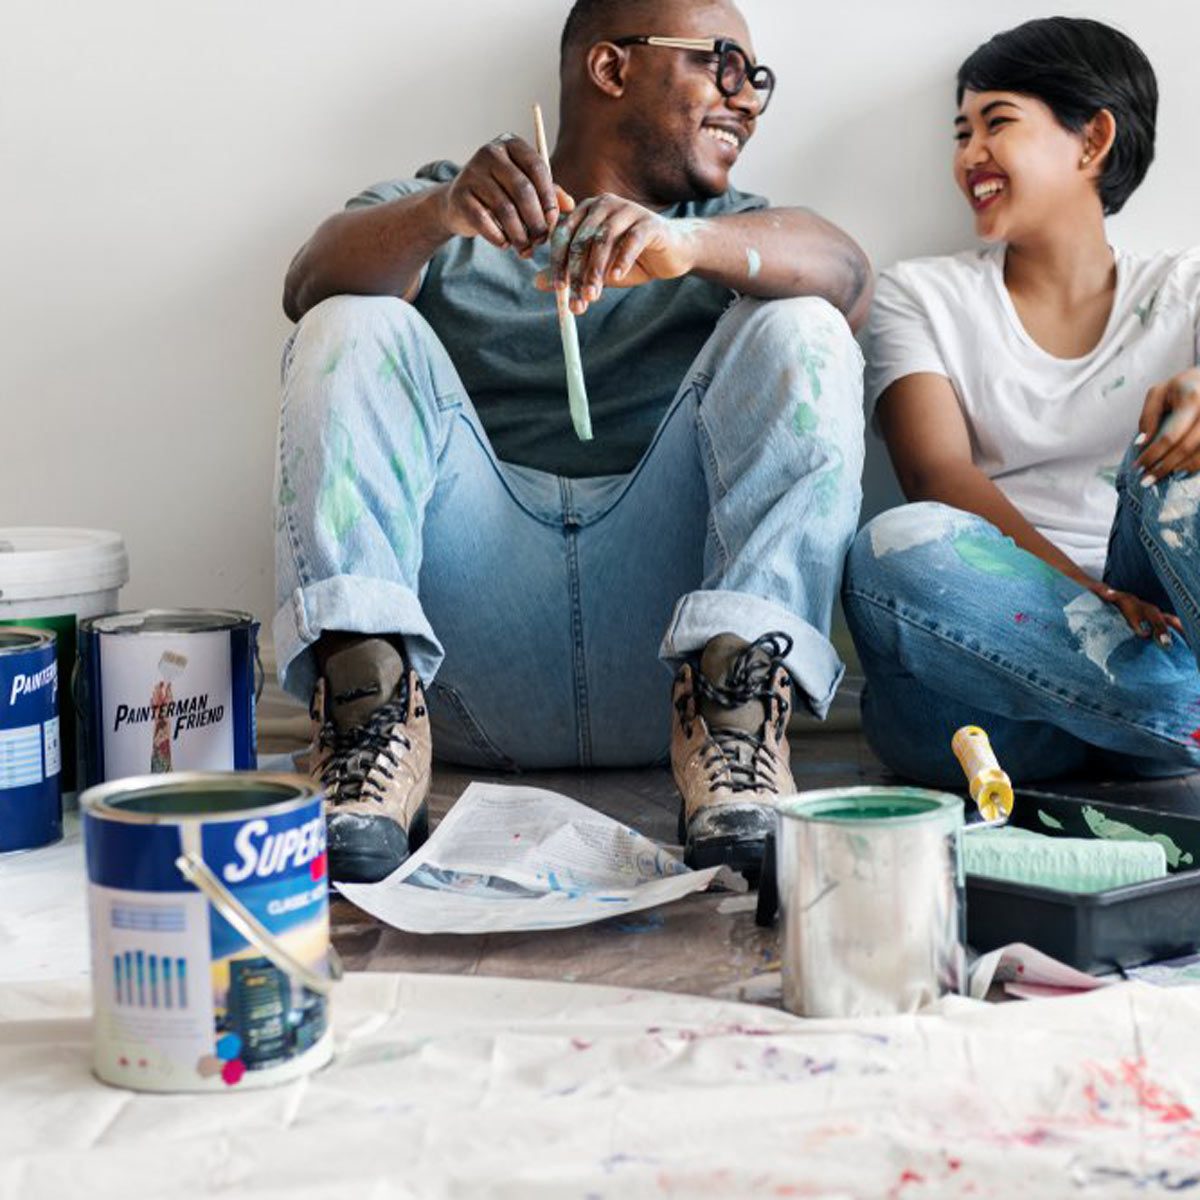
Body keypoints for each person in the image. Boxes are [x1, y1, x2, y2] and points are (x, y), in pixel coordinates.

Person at [275, 0, 872, 882]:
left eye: (757, 80)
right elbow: (307, 282)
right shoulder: (448, 210)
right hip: (466, 667)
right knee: (349, 322)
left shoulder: (732, 231)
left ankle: (739, 740)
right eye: (722, 64)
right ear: (611, 68)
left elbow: (849, 277)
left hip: (670, 674)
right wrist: (442, 211)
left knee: (805, 324)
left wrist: (687, 244)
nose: (746, 98)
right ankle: (366, 734)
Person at [844, 17, 1200, 788]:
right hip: (981, 689)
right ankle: (1174, 711)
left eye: (996, 122)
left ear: (1092, 140)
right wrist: (1090, 599)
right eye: (961, 132)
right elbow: (936, 473)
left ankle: (1157, 711)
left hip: (1162, 627)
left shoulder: (1188, 288)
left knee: (1186, 465)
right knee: (893, 543)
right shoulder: (920, 294)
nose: (969, 154)